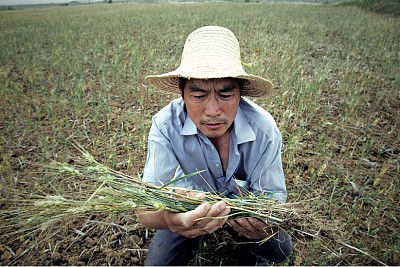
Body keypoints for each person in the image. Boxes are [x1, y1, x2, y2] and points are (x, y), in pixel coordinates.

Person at [138, 26, 292, 265]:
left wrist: (262, 224)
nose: (212, 111)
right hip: (189, 207)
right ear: (182, 92)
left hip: (245, 214)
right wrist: (171, 220)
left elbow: (272, 198)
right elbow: (146, 208)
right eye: (198, 96)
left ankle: (245, 246)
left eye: (225, 94)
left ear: (240, 92)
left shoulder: (263, 129)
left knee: (279, 248)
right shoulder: (165, 126)